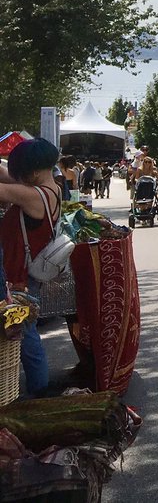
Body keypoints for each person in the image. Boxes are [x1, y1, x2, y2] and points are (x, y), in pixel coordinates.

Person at [0, 139, 67, 396]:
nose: (18, 176)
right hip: (26, 277)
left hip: (19, 281)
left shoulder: (32, 196)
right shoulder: (53, 190)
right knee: (26, 334)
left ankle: (40, 391)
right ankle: (38, 388)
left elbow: (5, 187)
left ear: (35, 170)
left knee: (26, 336)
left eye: (22, 170)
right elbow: (7, 176)